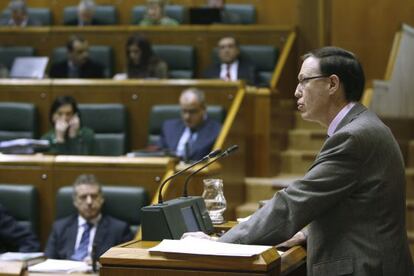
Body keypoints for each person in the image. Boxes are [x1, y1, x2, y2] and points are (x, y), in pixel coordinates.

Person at [186, 47, 414, 275]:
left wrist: (220, 246)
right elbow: (354, 207)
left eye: (304, 81)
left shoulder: (353, 136)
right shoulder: (361, 126)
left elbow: (295, 202)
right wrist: (306, 233)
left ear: (332, 85)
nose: (296, 91)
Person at [45, 174, 134, 261]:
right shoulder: (60, 228)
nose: (89, 202)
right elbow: (48, 262)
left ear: (102, 199)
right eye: (83, 197)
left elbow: (125, 265)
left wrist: (98, 266)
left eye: (94, 196)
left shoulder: (119, 229)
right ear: (75, 201)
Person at [156, 88, 221, 162]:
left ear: (203, 109)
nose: (187, 117)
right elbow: (157, 154)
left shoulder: (217, 131)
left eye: (192, 111)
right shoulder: (169, 127)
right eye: (184, 111)